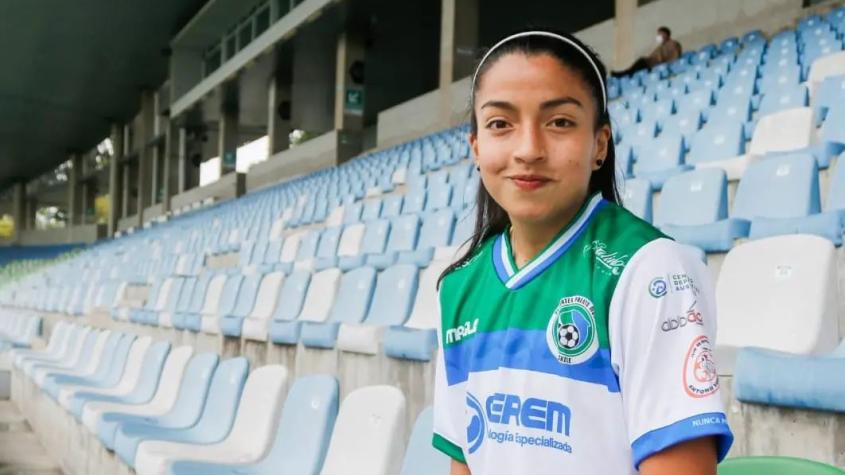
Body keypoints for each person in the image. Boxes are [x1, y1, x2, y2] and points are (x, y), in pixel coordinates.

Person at [431, 30, 732, 475]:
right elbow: (465, 461)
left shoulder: (649, 271)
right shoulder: (458, 288)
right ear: (476, 147)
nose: (528, 150)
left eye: (559, 122)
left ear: (599, 144)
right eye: (500, 124)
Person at [611, 26, 683, 77]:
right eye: (658, 34)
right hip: (652, 65)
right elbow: (653, 56)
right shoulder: (660, 46)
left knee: (642, 61)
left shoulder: (673, 44)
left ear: (666, 34)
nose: (658, 36)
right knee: (641, 62)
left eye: (660, 34)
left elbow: (674, 57)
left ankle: (626, 73)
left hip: (658, 66)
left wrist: (664, 64)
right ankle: (627, 73)